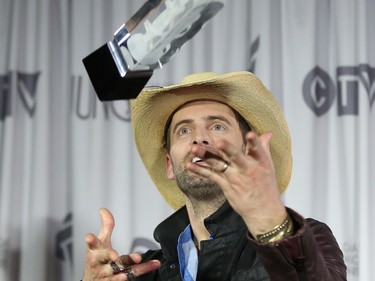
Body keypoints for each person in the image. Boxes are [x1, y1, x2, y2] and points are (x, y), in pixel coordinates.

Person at [82, 71, 347, 281]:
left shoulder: (308, 238)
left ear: (245, 151)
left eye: (217, 126)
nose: (200, 138)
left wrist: (270, 222)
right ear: (169, 165)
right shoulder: (144, 272)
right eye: (184, 131)